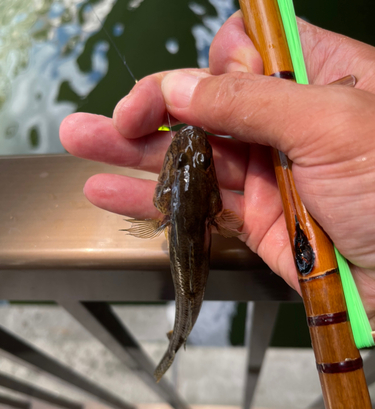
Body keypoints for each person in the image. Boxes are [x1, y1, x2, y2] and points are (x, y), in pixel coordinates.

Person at [59, 12, 375, 328]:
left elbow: (226, 222)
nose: (194, 152)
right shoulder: (212, 210)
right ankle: (178, 335)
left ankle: (179, 333)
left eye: (198, 162)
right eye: (198, 162)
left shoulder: (172, 208)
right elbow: (230, 223)